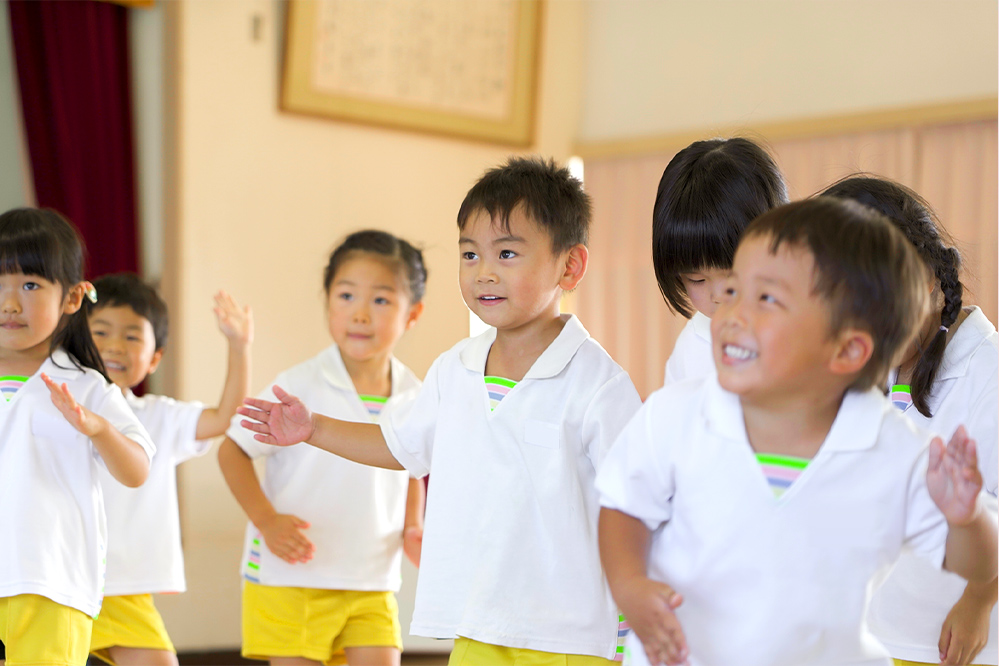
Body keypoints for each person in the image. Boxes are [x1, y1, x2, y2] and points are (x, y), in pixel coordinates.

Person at [237, 157, 643, 665]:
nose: (484, 272)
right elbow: (400, 445)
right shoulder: (456, 368)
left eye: (508, 253)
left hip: (568, 633)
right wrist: (313, 428)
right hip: (475, 621)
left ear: (570, 266)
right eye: (469, 255)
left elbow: (638, 498)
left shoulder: (598, 383)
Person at [597, 197, 998, 666]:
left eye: (766, 299)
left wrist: (966, 517)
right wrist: (630, 586)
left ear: (847, 350)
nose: (731, 314)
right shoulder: (674, 416)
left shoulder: (894, 449)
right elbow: (624, 508)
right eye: (732, 291)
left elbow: (978, 563)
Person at [219, 230, 428, 666]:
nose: (361, 315)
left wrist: (413, 525)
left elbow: (410, 466)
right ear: (328, 301)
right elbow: (232, 450)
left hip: (372, 580)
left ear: (413, 314)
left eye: (382, 300)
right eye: (347, 295)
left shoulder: (416, 393)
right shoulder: (298, 384)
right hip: (291, 577)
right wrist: (267, 520)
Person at [824, 176, 998, 666]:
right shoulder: (872, 373)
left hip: (955, 648)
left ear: (927, 280)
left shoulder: (989, 375)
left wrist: (979, 601)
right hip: (875, 640)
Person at [0, 208, 154, 666]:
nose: (10, 303)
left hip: (51, 581)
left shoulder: (86, 385)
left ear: (71, 299)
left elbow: (137, 469)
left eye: (30, 285)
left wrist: (99, 428)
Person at [86, 273, 253, 666]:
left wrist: (239, 346)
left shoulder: (157, 416)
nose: (114, 345)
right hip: (56, 585)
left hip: (125, 591)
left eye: (132, 336)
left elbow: (226, 417)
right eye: (100, 331)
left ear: (155, 357)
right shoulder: (50, 409)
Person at [652, 137, 787, 385]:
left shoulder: (805, 329)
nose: (718, 295)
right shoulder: (690, 351)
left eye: (731, 272)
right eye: (697, 279)